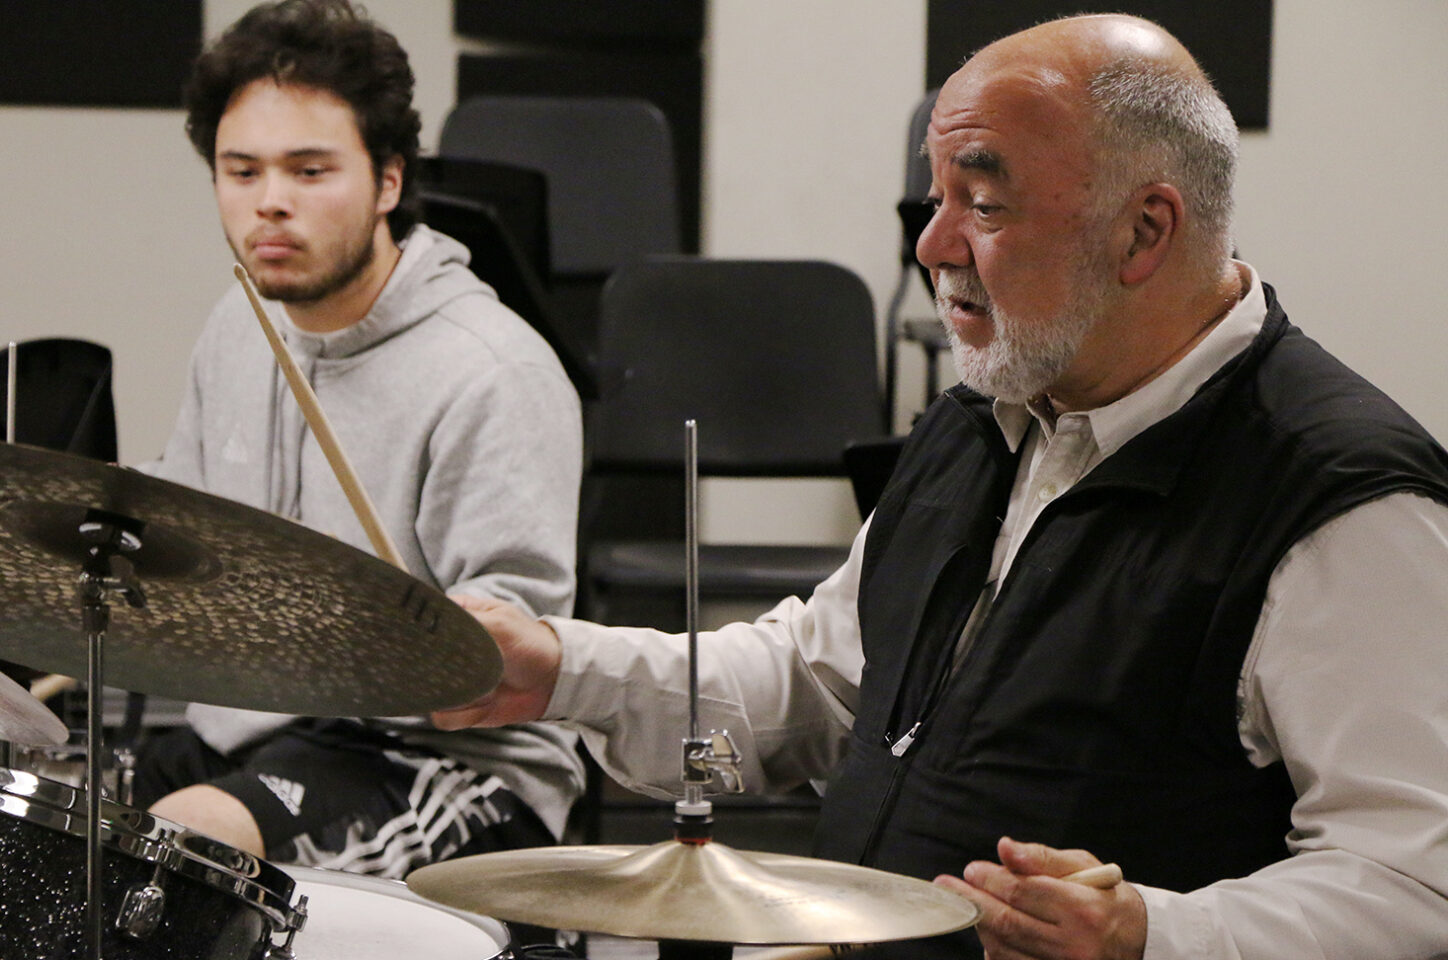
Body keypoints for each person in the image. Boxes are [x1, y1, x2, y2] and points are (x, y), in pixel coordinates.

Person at [433, 14, 1448, 960]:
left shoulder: (1340, 499)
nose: (931, 246)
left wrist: (1153, 934)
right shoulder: (982, 422)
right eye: (934, 200)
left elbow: (1411, 881)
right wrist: (556, 667)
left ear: (1144, 232)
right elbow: (825, 689)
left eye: (984, 203)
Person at [132, 0, 586, 881]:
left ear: (387, 180)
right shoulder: (240, 322)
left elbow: (505, 647)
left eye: (309, 171)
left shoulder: (493, 369)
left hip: (443, 765)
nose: (270, 202)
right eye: (241, 170)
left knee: (185, 845)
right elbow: (184, 531)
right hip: (252, 736)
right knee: (54, 835)